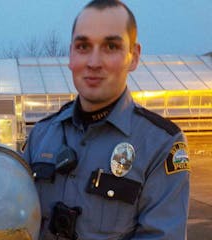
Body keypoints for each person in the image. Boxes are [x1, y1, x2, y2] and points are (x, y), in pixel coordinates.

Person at [22, 0, 190, 239]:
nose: (93, 62)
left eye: (111, 46)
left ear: (133, 57)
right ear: (70, 55)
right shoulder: (41, 135)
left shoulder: (160, 144)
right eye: (83, 46)